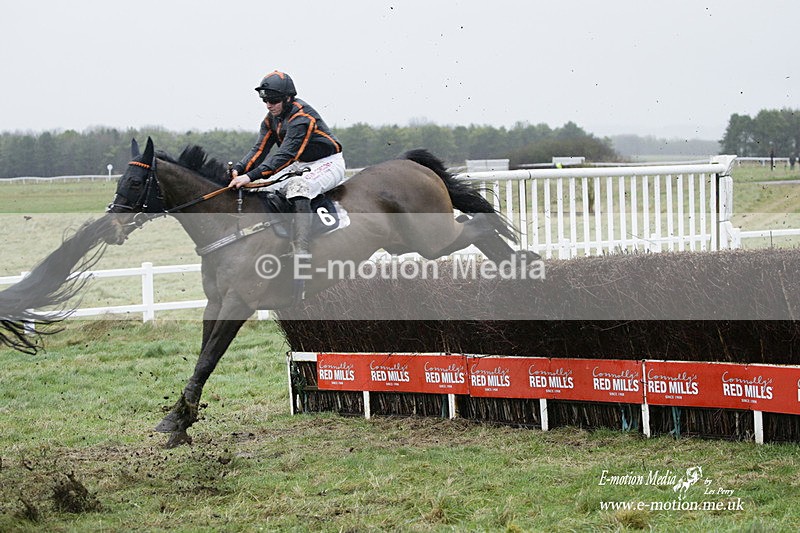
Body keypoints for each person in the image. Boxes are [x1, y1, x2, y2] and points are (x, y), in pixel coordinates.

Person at [229, 71, 346, 272]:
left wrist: (250, 176)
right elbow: (259, 149)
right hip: (300, 163)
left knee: (297, 187)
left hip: (328, 162)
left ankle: (302, 249)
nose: (268, 105)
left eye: (273, 100)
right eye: (265, 101)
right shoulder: (271, 119)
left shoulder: (302, 117)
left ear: (288, 98)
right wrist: (239, 169)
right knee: (259, 190)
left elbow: (286, 154)